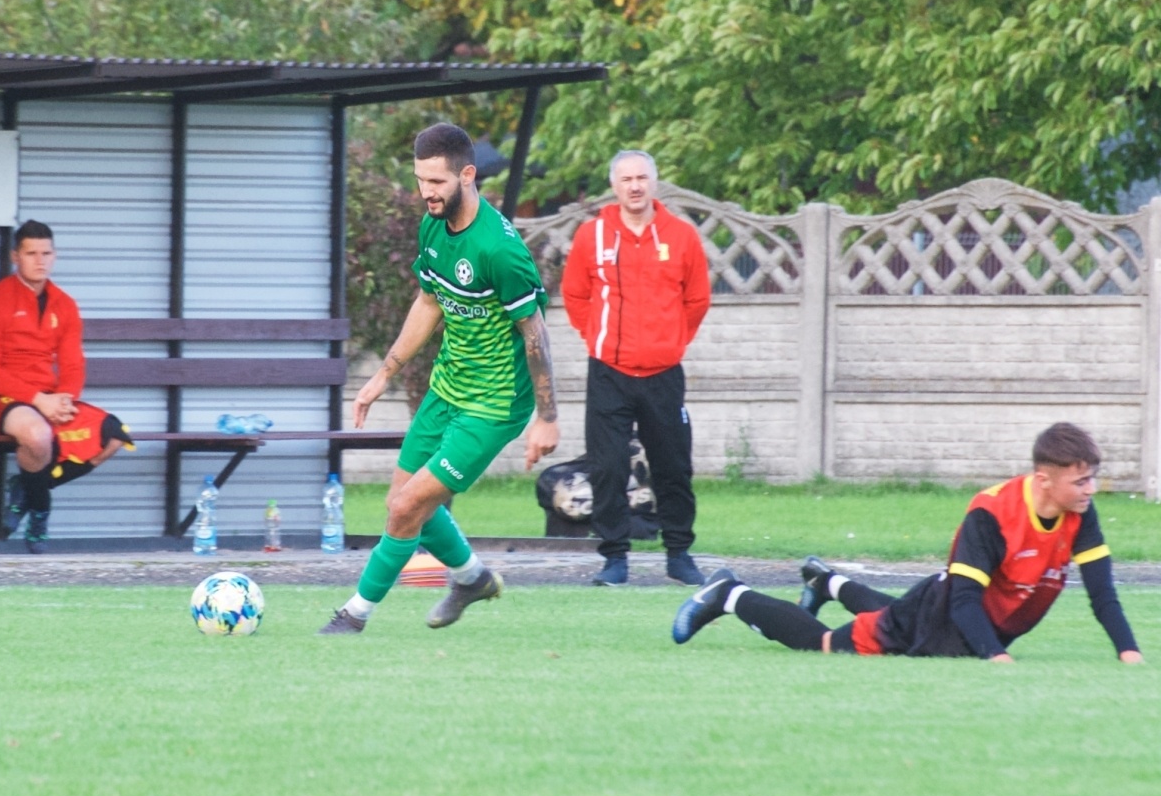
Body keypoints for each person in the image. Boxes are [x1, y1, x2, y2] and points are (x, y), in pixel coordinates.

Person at [322, 123, 559, 634]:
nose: (427, 192)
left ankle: (353, 616)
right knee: (404, 503)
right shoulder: (432, 226)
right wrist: (384, 373)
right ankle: (472, 579)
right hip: (447, 388)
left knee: (408, 506)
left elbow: (536, 336)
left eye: (437, 182)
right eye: (420, 180)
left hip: (493, 405)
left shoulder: (500, 250)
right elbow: (429, 301)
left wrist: (547, 417)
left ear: (467, 175)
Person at [672, 423, 1143, 664]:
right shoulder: (993, 514)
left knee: (899, 611)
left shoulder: (1078, 512)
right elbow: (961, 601)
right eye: (1081, 481)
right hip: (943, 613)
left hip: (951, 615)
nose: (1090, 490)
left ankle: (827, 583)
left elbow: (1102, 593)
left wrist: (1128, 651)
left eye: (1091, 480)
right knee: (825, 645)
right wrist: (994, 655)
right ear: (1044, 480)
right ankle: (729, 594)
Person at [561, 149, 711, 587]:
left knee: (673, 465)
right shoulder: (593, 236)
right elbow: (574, 295)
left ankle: (679, 554)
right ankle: (614, 558)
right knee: (607, 466)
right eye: (626, 179)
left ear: (654, 182)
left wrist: (672, 341)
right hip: (609, 370)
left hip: (663, 373)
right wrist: (598, 339)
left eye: (642, 177)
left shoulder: (681, 236)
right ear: (614, 186)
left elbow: (697, 299)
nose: (635, 186)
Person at [0, 220, 129, 554]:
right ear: (16, 256)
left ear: (55, 255)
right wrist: (39, 401)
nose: (39, 260)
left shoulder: (65, 304)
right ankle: (40, 512)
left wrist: (64, 400)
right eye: (31, 253)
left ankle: (27, 488)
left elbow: (72, 364)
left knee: (114, 437)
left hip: (48, 400)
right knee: (37, 435)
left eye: (46, 253)